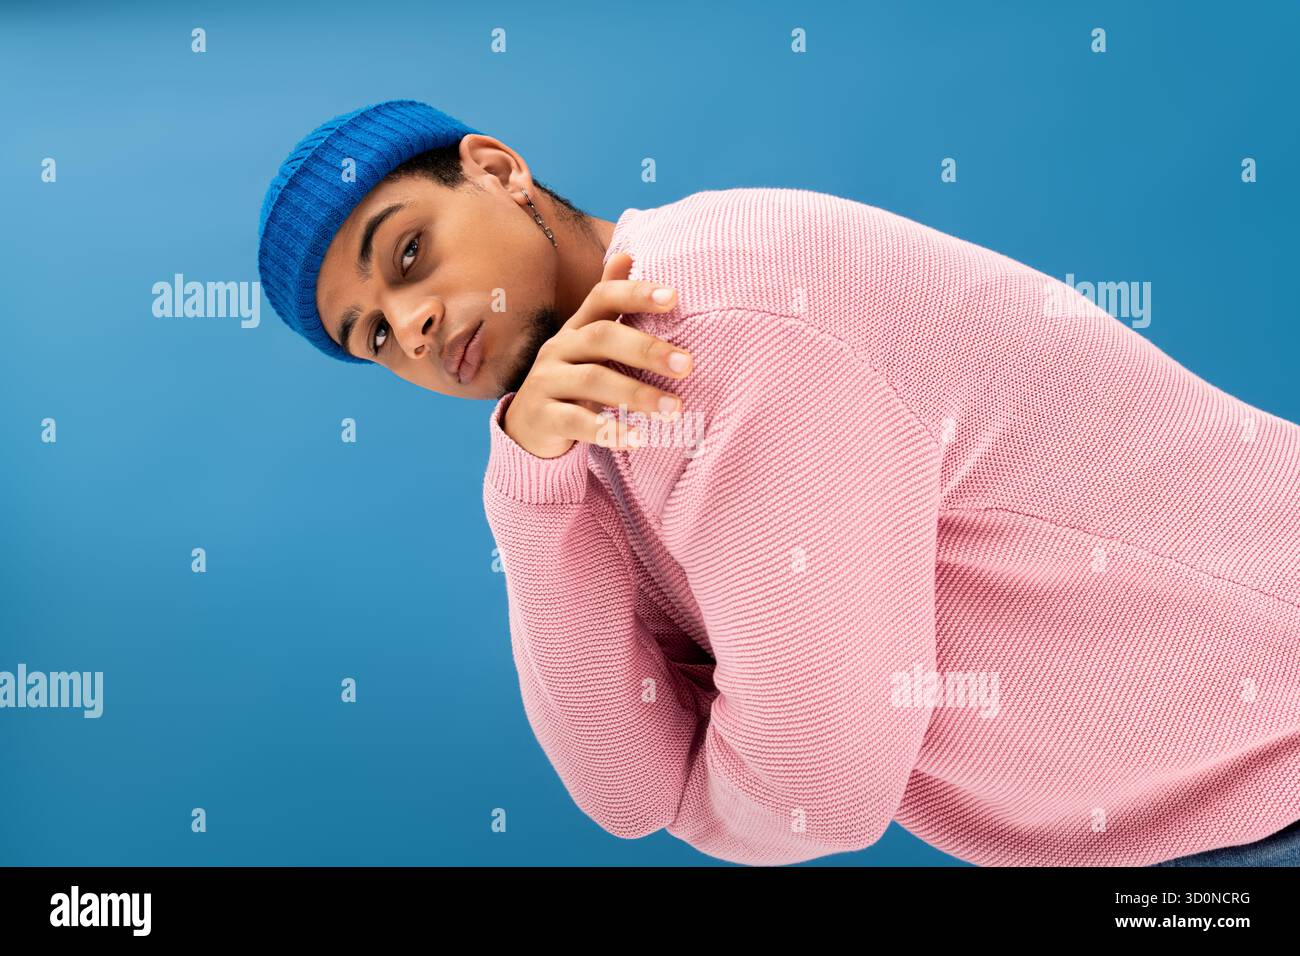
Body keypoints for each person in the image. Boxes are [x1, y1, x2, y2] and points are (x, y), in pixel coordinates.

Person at [257, 99, 1300, 867]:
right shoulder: (575, 431)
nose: (415, 327)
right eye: (374, 335)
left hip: (1268, 769)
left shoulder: (713, 324)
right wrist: (525, 488)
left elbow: (815, 796)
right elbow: (625, 790)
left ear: (497, 169)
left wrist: (699, 778)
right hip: (1171, 835)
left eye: (406, 254)